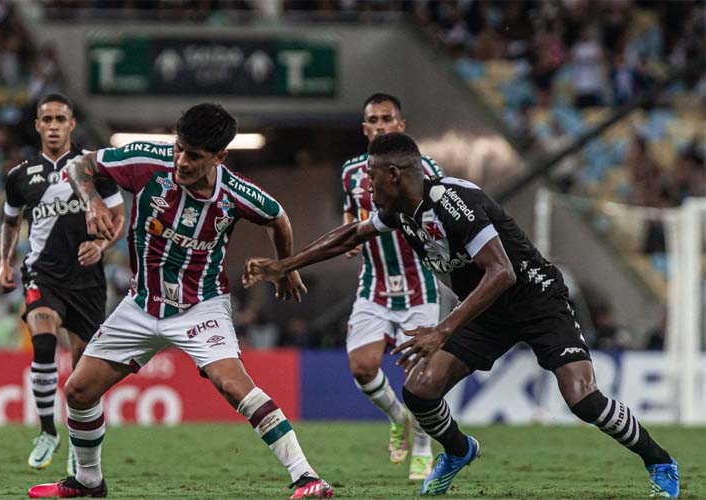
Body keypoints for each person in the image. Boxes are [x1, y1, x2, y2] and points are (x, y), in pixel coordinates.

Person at [243, 133, 679, 498]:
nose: (367, 186)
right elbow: (350, 235)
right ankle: (457, 449)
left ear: (394, 174)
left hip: (536, 301)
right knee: (420, 390)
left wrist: (441, 330)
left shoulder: (452, 199)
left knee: (582, 397)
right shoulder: (399, 210)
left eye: (372, 177)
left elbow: (502, 272)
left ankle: (659, 460)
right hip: (485, 312)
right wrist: (286, 264)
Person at [28, 103, 333, 499]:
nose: (182, 161)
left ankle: (307, 477)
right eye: (180, 148)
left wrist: (287, 267)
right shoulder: (147, 160)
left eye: (195, 156)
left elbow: (277, 217)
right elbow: (80, 165)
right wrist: (93, 201)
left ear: (220, 157)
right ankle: (88, 482)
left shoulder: (235, 193)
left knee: (233, 384)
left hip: (200, 306)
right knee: (79, 391)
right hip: (142, 303)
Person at [0, 93, 125, 475]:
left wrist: (101, 245)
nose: (53, 125)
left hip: (86, 281)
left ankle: (76, 444)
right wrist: (4, 262)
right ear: (37, 125)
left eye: (60, 119)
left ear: (71, 125)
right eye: (47, 119)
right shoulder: (20, 176)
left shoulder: (92, 168)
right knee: (43, 336)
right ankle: (46, 431)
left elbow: (118, 216)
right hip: (42, 273)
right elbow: (11, 222)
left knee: (83, 372)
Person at [340, 93, 441, 479]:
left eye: (387, 119)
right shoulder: (352, 172)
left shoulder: (427, 168)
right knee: (362, 367)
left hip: (420, 285)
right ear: (365, 128)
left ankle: (422, 445)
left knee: (420, 378)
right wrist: (349, 236)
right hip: (375, 284)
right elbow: (350, 212)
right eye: (373, 120)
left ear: (401, 126)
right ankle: (399, 418)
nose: (380, 125)